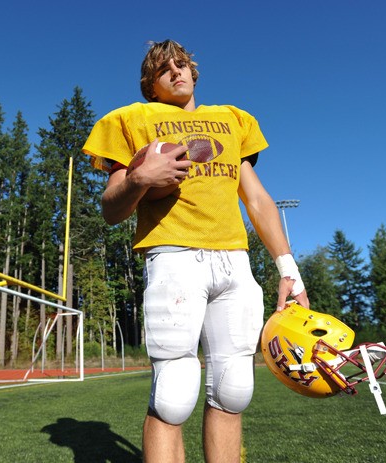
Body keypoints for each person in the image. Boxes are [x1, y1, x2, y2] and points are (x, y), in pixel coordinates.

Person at [82, 39, 309, 463]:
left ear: (194, 71)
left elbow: (256, 199)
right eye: (164, 69)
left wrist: (287, 266)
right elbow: (112, 208)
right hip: (174, 257)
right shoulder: (132, 118)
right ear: (150, 84)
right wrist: (141, 177)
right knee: (174, 392)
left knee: (233, 388)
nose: (177, 72)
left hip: (234, 261)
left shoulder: (232, 119)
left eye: (182, 64)